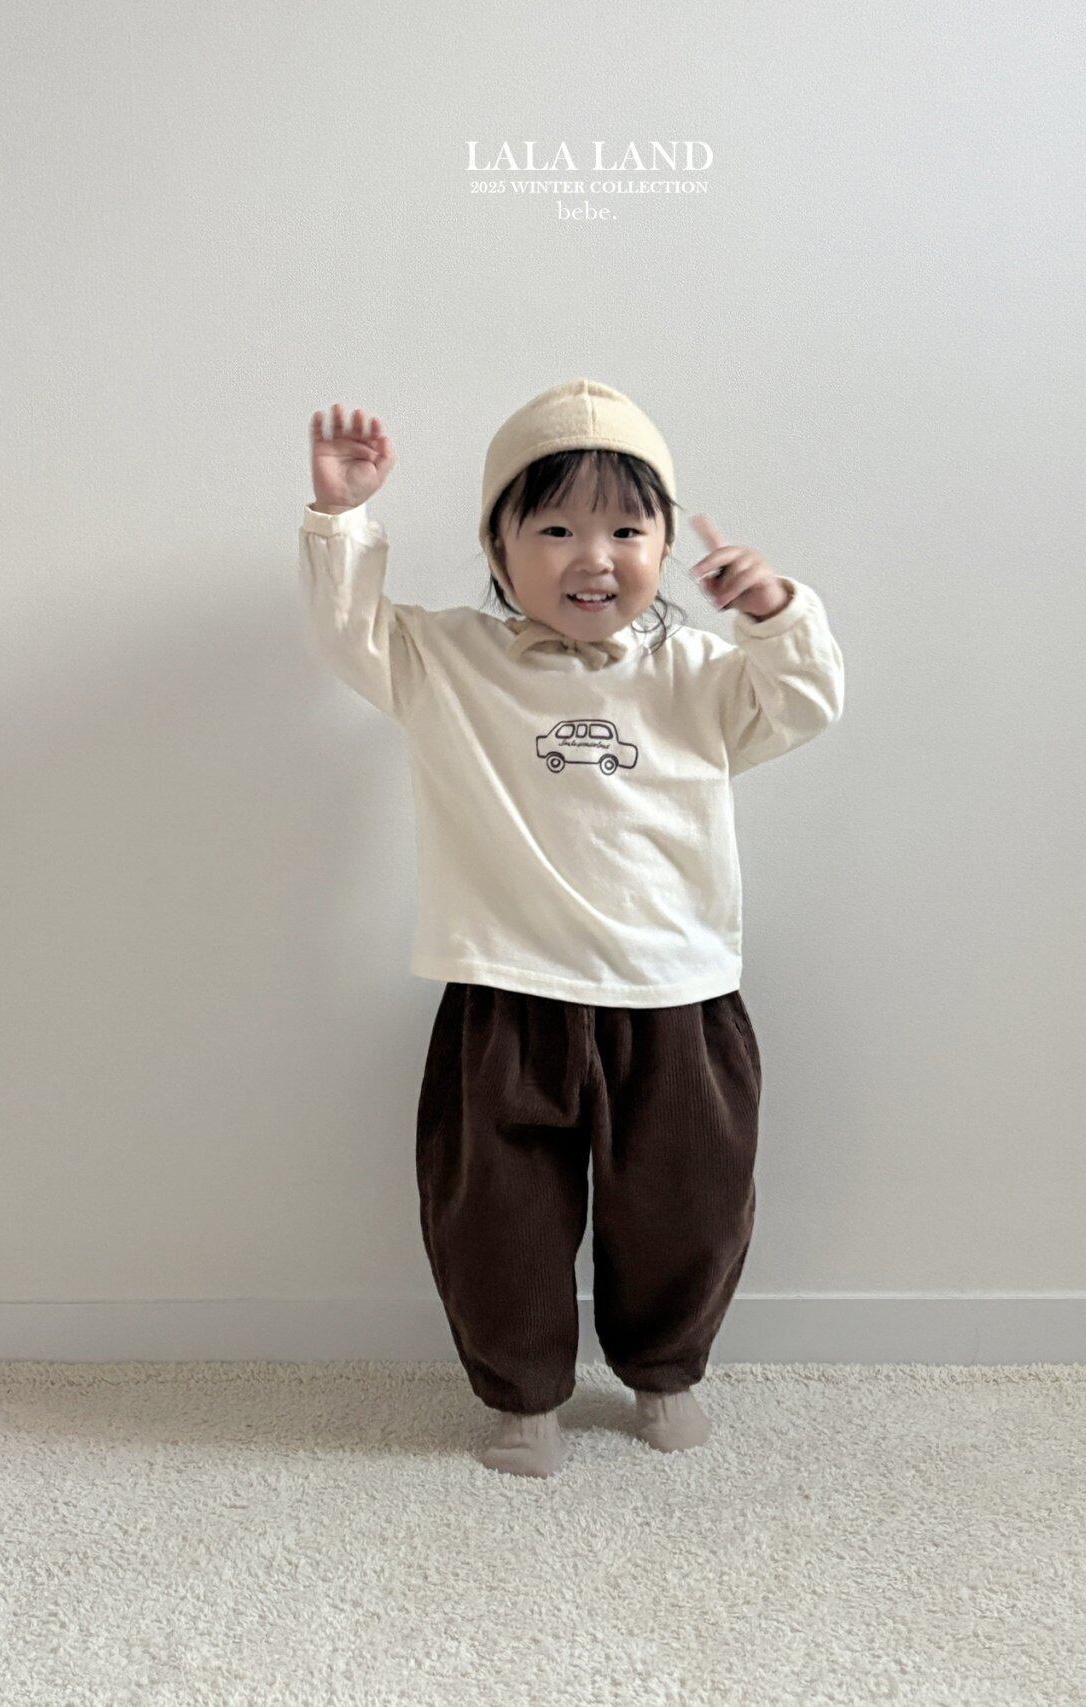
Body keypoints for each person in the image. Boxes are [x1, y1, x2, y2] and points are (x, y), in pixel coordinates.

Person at [298, 379, 845, 1478]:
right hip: (506, 988)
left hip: (676, 993)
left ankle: (664, 1371)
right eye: (553, 529)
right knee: (494, 1215)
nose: (592, 556)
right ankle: (522, 1396)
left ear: (663, 547)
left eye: (626, 530)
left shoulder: (699, 673)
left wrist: (775, 611)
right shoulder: (452, 662)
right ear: (498, 551)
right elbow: (352, 636)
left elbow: (803, 701)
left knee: (686, 1206)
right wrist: (342, 518)